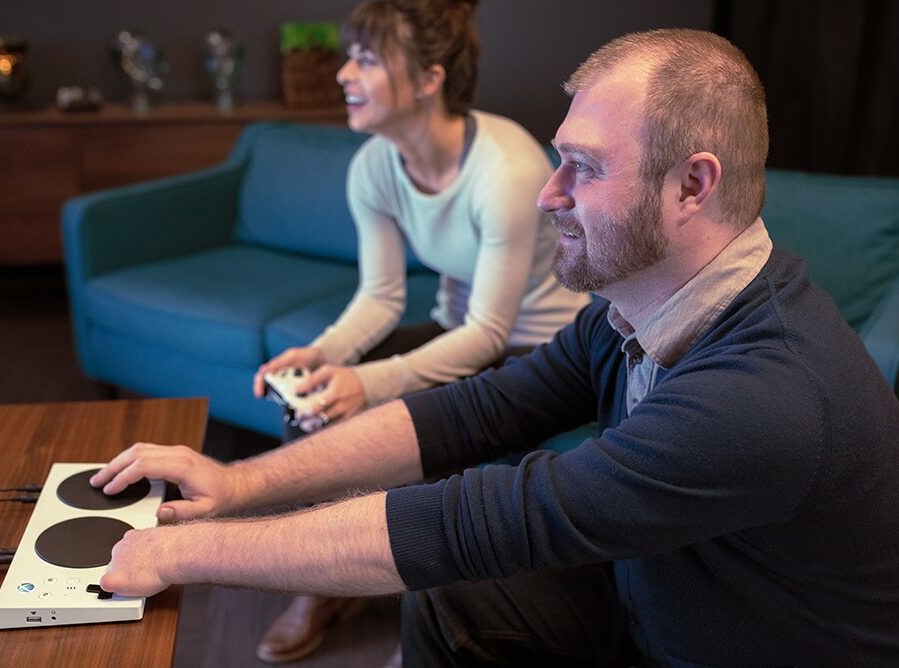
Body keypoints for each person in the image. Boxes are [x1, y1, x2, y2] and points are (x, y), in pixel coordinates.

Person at [92, 28, 899, 667]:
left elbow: (481, 521)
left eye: (582, 169)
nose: (549, 194)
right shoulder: (637, 309)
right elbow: (478, 411)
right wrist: (235, 486)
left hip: (725, 646)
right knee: (453, 601)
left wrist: (183, 550)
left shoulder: (765, 396)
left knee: (464, 557)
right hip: (655, 591)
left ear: (692, 186)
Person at [249, 0, 588, 661]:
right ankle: (325, 582)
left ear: (429, 78)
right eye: (351, 56)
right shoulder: (373, 165)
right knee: (314, 403)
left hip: (537, 350)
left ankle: (422, 616)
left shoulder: (508, 168)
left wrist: (368, 381)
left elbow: (490, 332)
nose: (343, 72)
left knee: (369, 399)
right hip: (458, 334)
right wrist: (323, 355)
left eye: (367, 60)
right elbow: (379, 297)